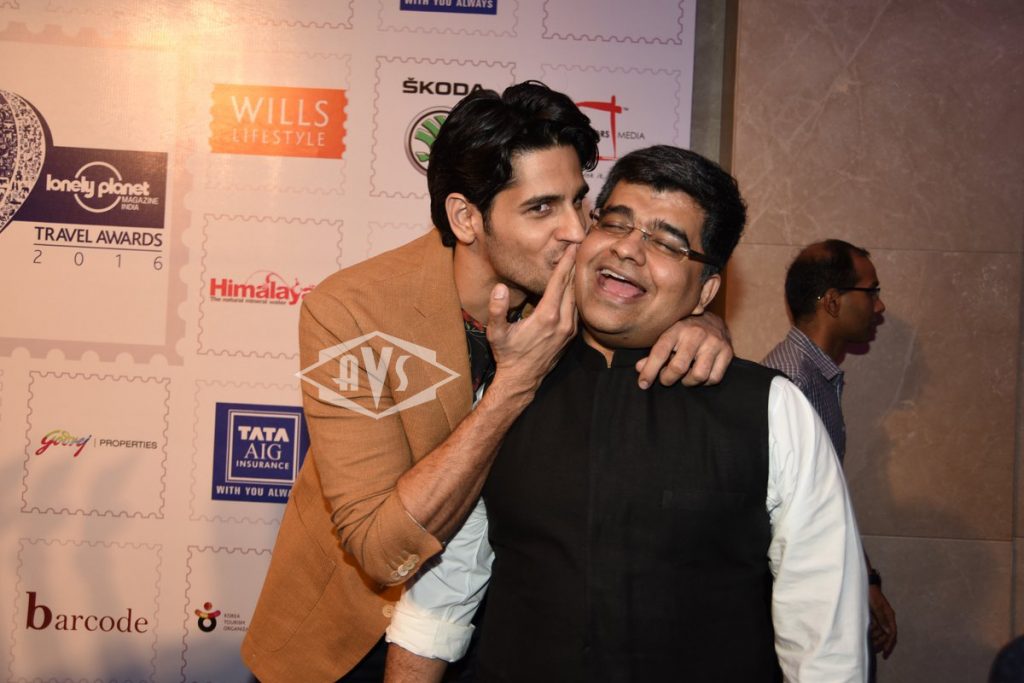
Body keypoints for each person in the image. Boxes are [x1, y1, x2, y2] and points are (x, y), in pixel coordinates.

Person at [241, 83, 734, 682]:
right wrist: (513, 385)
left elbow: (661, 295)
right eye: (541, 209)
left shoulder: (580, 291)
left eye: (580, 202)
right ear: (466, 218)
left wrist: (702, 322)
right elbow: (381, 550)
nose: (577, 231)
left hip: (499, 635)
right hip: (348, 640)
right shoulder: (353, 312)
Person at [385, 145, 868, 682]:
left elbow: (824, 637)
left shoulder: (772, 410)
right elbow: (441, 599)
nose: (628, 250)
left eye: (668, 242)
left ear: (706, 290)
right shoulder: (510, 388)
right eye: (615, 223)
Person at [762, 240, 898, 672]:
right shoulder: (793, 383)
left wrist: (865, 578)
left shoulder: (815, 378)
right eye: (871, 292)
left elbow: (826, 503)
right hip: (803, 605)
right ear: (833, 302)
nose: (879, 306)